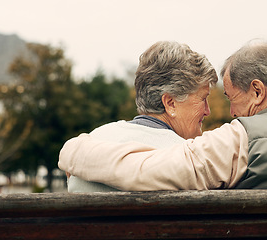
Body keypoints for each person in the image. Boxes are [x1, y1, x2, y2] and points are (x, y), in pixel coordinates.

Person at [59, 39, 267, 191]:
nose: (227, 113)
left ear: (257, 91)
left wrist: (74, 149)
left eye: (230, 97)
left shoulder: (240, 140)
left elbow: (141, 171)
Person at [65, 41, 218, 192]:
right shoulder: (191, 162)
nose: (207, 110)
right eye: (203, 98)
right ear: (170, 103)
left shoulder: (88, 145)